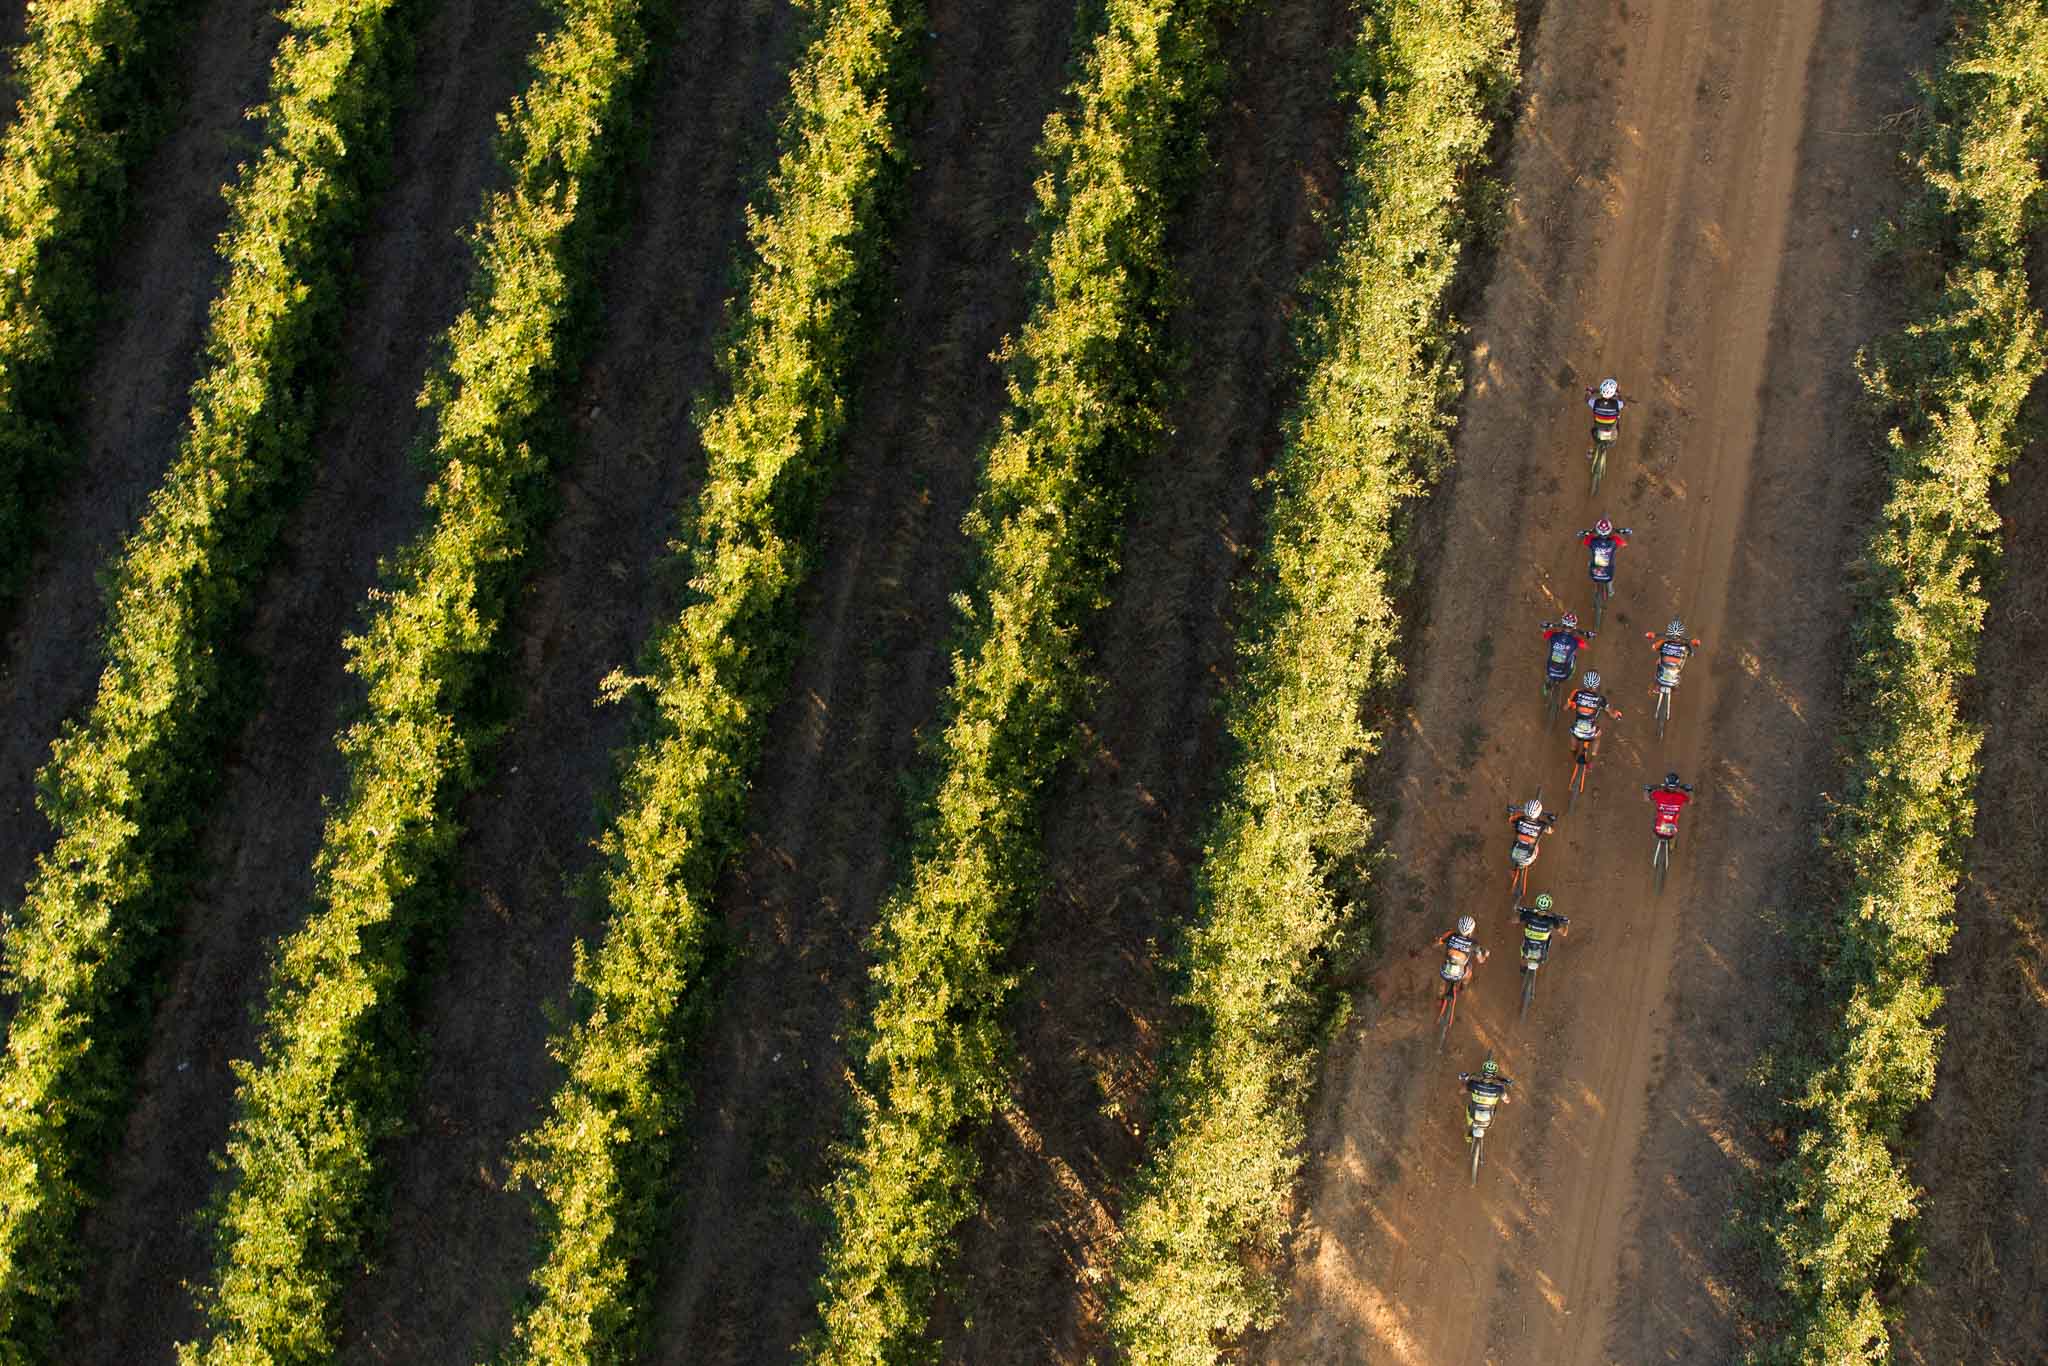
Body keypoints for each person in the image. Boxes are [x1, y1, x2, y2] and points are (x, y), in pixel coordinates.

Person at [1563, 669, 1622, 755]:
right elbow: (1612, 714)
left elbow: (1565, 708)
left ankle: (1573, 750)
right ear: (1597, 684)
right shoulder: (1601, 699)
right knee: (1598, 736)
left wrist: (1571, 704)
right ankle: (1592, 758)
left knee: (1573, 733)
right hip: (1590, 733)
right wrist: (1616, 714)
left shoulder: (1577, 693)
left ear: (1584, 682)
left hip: (1577, 731)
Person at [1645, 617, 1704, 690]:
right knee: (1659, 662)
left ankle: (1655, 687)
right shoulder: (1685, 646)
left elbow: (1654, 647)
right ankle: (1657, 686)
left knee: (1658, 662)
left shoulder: (1665, 643)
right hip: (1671, 677)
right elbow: (1691, 654)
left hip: (1669, 676)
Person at [1434, 914, 1487, 993]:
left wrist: (1437, 940)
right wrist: (1485, 955)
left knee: (1446, 962)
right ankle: (1463, 987)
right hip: (1459, 976)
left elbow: (1436, 944)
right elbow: (1481, 961)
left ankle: (1441, 988)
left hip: (1443, 972)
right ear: (1471, 930)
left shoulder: (1450, 935)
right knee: (1469, 972)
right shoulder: (1474, 944)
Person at [1541, 613, 1593, 684]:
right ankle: (1570, 673)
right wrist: (1586, 635)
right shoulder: (1576, 641)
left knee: (1551, 650)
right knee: (1573, 656)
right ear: (1574, 626)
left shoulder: (1552, 634)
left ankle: (1548, 681)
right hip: (1564, 675)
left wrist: (1550, 626)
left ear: (1562, 623)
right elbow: (1587, 647)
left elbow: (1544, 634)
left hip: (1549, 670)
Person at [1506, 797, 1558, 865]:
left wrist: (1511, 812)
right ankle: (1532, 864)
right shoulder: (1542, 825)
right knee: (1536, 846)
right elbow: (1551, 830)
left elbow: (1511, 820)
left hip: (1513, 855)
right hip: (1529, 858)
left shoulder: (1519, 819)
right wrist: (1552, 821)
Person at [1580, 517, 1630, 586]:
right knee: (1612, 562)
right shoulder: (1615, 540)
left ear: (1597, 529)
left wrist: (1587, 533)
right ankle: (1610, 589)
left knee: (1590, 560)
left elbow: (1585, 542)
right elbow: (1624, 544)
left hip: (1594, 576)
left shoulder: (1590, 539)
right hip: (1609, 576)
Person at [1644, 771, 1694, 836]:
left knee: (1655, 819)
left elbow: (1646, 799)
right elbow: (1690, 801)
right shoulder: (1681, 796)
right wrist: (1690, 790)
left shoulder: (1658, 794)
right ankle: (1673, 842)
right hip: (1673, 830)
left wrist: (1646, 790)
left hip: (1658, 829)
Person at [1586, 378, 1625, 457]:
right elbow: (1624, 403)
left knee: (1593, 431)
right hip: (1612, 437)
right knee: (1617, 422)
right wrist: (1618, 394)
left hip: (1597, 433)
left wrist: (1589, 391)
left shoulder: (1595, 403)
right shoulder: (1617, 404)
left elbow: (1586, 399)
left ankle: (1590, 451)